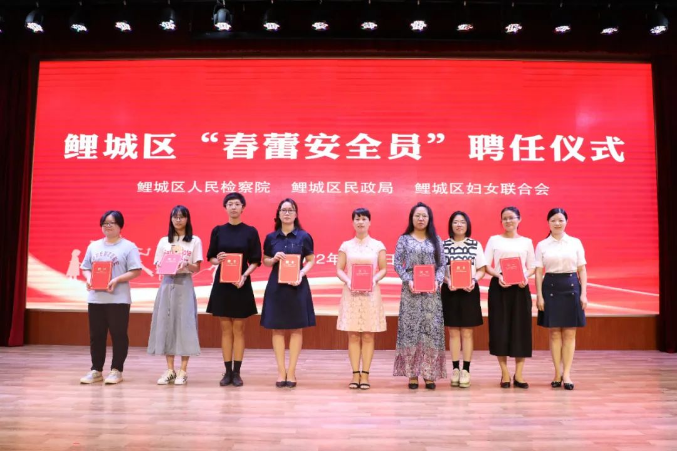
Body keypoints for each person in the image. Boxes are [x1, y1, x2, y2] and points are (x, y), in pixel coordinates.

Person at [79, 210, 142, 384]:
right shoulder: (93, 246)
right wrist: (89, 278)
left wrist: (117, 279)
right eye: (104, 223)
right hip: (96, 299)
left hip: (118, 299)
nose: (107, 226)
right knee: (96, 336)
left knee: (118, 335)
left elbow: (136, 270)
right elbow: (85, 267)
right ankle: (96, 370)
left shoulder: (128, 246)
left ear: (120, 225)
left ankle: (116, 370)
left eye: (111, 223)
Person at [206, 193, 262, 387]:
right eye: (230, 204)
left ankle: (237, 372)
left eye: (237, 204)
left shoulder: (250, 231)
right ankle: (227, 372)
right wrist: (218, 259)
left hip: (241, 284)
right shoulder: (218, 230)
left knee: (238, 329)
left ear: (243, 207)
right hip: (222, 285)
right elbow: (211, 257)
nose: (233, 207)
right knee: (225, 329)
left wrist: (244, 276)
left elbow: (255, 260)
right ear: (225, 207)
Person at [261, 198, 316, 388]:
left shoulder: (304, 236)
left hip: (297, 286)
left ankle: (291, 372)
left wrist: (301, 273)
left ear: (296, 214)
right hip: (276, 287)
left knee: (296, 328)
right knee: (277, 328)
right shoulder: (271, 237)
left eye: (290, 210)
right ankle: (280, 371)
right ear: (278, 214)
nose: (287, 213)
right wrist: (273, 259)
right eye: (283, 210)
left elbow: (311, 259)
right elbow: (265, 261)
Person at [393, 202, 446, 390]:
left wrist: (438, 281)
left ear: (429, 218)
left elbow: (442, 264)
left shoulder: (436, 240)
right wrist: (408, 280)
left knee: (431, 331)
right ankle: (413, 374)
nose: (421, 219)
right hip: (411, 291)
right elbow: (397, 263)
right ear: (412, 218)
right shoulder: (404, 239)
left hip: (432, 293)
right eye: (417, 216)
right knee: (411, 332)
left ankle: (429, 374)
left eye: (424, 216)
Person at [147, 205, 203, 385]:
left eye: (182, 216)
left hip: (185, 284)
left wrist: (186, 263)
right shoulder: (164, 241)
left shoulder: (194, 241)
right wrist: (166, 265)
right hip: (167, 284)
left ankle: (183, 371)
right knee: (167, 324)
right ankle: (170, 370)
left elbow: (197, 267)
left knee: (185, 325)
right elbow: (157, 264)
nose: (178, 220)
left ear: (187, 219)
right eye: (175, 216)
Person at [535, 208, 587, 391]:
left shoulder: (575, 242)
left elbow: (582, 269)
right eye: (553, 220)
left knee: (570, 333)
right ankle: (557, 373)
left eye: (560, 220)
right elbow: (539, 272)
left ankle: (567, 374)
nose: (557, 223)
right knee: (555, 333)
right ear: (548, 223)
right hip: (550, 288)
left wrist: (584, 294)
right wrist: (539, 295)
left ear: (566, 222)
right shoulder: (542, 245)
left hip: (572, 288)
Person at [484, 206, 536, 389]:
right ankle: (505, 373)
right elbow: (486, 265)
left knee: (521, 330)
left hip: (520, 289)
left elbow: (532, 267)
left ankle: (519, 374)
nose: (508, 221)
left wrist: (524, 277)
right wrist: (499, 276)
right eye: (504, 218)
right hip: (500, 288)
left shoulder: (527, 242)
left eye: (511, 218)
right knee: (500, 330)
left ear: (519, 219)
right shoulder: (494, 240)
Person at [336, 208, 387, 390]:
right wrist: (348, 281)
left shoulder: (378, 245)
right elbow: (339, 269)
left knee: (367, 334)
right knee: (352, 334)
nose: (360, 222)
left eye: (364, 219)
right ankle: (355, 374)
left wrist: (374, 279)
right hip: (351, 294)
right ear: (353, 222)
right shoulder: (346, 246)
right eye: (357, 219)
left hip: (370, 294)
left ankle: (365, 374)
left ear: (369, 222)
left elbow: (383, 269)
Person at [441, 211, 486, 388]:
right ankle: (455, 369)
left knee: (467, 332)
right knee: (453, 332)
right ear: (450, 225)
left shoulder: (475, 244)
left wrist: (474, 280)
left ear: (467, 225)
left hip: (469, 291)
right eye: (455, 222)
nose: (459, 225)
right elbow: (439, 271)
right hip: (450, 291)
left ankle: (466, 370)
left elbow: (481, 269)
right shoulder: (443, 245)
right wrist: (448, 281)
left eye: (462, 222)